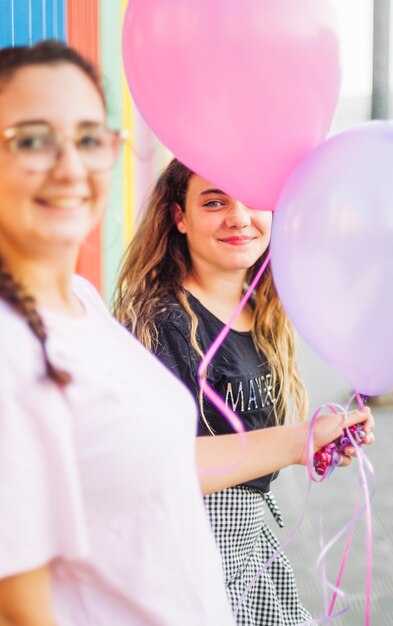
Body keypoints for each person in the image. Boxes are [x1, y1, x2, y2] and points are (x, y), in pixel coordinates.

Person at [0, 41, 236, 626]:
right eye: (32, 140)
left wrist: (303, 439)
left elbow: (161, 462)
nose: (70, 167)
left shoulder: (78, 300)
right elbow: (18, 611)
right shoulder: (10, 349)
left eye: (88, 139)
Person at [114, 158, 376, 626]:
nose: (238, 217)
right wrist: (298, 440)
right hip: (186, 548)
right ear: (179, 217)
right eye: (214, 202)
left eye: (253, 200)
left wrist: (325, 437)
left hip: (251, 540)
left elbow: (249, 438)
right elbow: (154, 464)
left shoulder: (262, 308)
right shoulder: (161, 322)